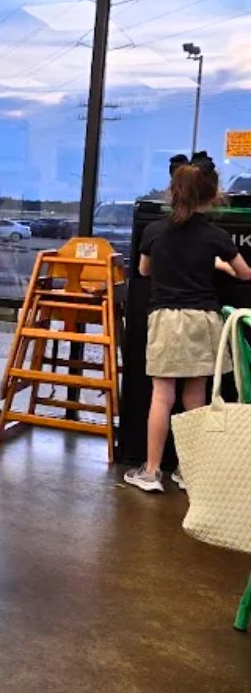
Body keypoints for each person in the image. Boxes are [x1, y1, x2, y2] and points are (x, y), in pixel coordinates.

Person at [126, 159, 251, 493]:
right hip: (202, 320)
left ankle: (152, 472)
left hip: (166, 320)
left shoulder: (154, 231)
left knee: (161, 397)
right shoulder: (215, 235)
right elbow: (246, 273)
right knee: (195, 397)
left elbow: (144, 270)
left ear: (174, 192)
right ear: (211, 197)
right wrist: (218, 264)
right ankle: (188, 470)